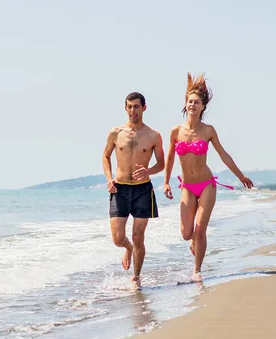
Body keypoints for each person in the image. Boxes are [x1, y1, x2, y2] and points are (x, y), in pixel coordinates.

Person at [164, 73, 253, 281]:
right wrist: (166, 182)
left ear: (203, 107)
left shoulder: (208, 131)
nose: (193, 105)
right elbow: (169, 158)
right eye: (190, 102)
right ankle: (193, 241)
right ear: (185, 105)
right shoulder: (176, 131)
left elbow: (224, 155)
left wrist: (240, 176)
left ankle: (197, 271)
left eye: (196, 102)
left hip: (206, 185)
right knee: (187, 233)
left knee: (200, 229)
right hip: (187, 186)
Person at [103, 92, 164, 285]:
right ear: (125, 108)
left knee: (138, 236)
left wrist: (149, 171)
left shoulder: (153, 135)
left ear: (144, 108)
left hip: (142, 190)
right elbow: (105, 157)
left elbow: (161, 163)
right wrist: (109, 178)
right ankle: (128, 249)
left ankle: (136, 278)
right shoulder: (115, 133)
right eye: (129, 106)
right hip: (119, 189)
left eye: (136, 106)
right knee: (118, 238)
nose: (132, 110)